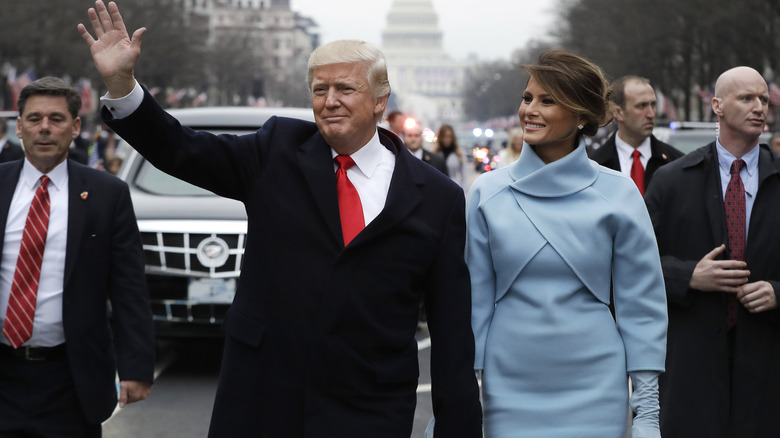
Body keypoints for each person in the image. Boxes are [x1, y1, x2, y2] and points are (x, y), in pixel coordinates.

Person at [79, 2, 482, 437]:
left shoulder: (438, 198)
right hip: (262, 398)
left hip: (369, 408)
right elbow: (180, 148)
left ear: (380, 100)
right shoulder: (275, 152)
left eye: (345, 89)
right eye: (319, 90)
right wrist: (122, 83)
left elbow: (451, 330)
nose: (329, 102)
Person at [467, 49, 667, 438]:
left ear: (580, 115)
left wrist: (647, 411)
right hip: (506, 386)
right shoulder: (486, 192)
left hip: (597, 387)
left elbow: (641, 306)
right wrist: (458, 399)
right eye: (527, 98)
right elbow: (472, 306)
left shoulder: (621, 193)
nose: (530, 110)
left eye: (547, 100)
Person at [0, 76, 154, 436]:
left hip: (70, 378)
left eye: (56, 119)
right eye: (35, 119)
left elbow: (129, 285)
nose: (44, 128)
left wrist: (136, 367)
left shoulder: (106, 194)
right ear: (19, 126)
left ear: (75, 127)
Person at [645, 66, 780, 437]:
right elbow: (632, 266)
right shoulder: (672, 181)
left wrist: (777, 291)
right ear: (717, 106)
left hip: (767, 367)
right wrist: (689, 276)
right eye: (747, 98)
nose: (759, 108)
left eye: (764, 100)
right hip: (693, 365)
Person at [588, 75, 684, 195]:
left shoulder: (677, 162)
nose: (651, 114)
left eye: (653, 105)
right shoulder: (594, 166)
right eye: (641, 106)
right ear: (618, 112)